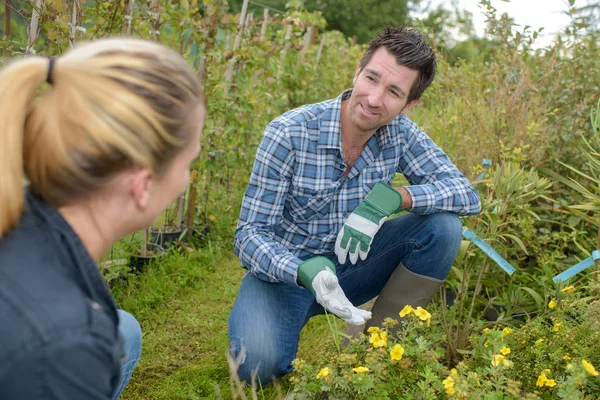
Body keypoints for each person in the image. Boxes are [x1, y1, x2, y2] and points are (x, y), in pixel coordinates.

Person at [228, 26, 481, 384]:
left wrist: (397, 197)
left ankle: (379, 349)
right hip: (285, 276)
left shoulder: (401, 134)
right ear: (358, 71)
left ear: (409, 105)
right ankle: (282, 321)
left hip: (353, 266)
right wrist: (302, 271)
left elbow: (467, 195)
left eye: (393, 91)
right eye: (372, 78)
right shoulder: (289, 133)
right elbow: (248, 235)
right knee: (255, 370)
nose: (375, 99)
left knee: (442, 226)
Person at [0, 38, 206, 399]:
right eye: (188, 163)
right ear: (142, 184)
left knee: (123, 331)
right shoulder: (65, 346)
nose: (186, 178)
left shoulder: (20, 218)